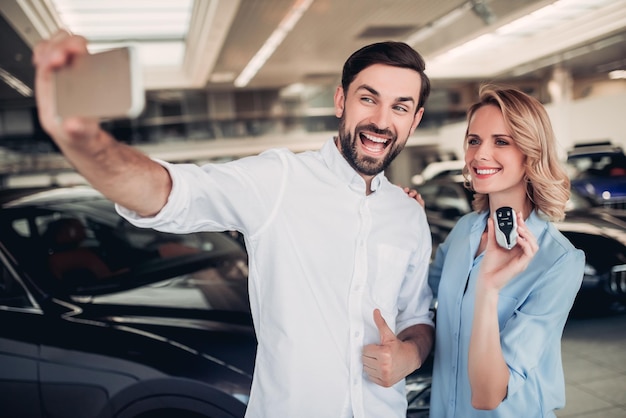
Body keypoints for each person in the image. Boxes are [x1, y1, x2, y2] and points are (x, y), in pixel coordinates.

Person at [32, 31, 435, 418]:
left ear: (414, 121)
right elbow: (169, 192)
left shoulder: (408, 215)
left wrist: (410, 354)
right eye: (369, 99)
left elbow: (417, 317)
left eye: (399, 107)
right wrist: (84, 141)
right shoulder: (279, 180)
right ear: (341, 100)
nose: (382, 121)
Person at [426, 85, 585, 417]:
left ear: (530, 154)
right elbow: (418, 297)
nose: (480, 154)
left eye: (501, 141)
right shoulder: (463, 232)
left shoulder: (559, 260)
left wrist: (488, 288)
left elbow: (488, 396)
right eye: (474, 140)